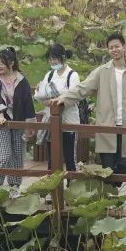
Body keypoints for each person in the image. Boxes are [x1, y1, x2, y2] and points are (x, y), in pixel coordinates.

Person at [51, 32, 126, 187]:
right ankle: (109, 201)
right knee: (107, 169)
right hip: (107, 126)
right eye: (110, 48)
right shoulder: (102, 71)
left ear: (124, 47)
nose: (114, 50)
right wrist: (64, 98)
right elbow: (83, 87)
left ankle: (110, 189)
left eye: (117, 46)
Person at [0, 47, 35, 197]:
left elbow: (28, 102)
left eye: (2, 63)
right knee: (4, 155)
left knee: (17, 156)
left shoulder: (22, 80)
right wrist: (0, 115)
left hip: (18, 121)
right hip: (1, 122)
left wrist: (29, 125)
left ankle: (14, 186)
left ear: (11, 63)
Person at [33, 43, 81, 172]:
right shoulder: (49, 75)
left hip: (68, 120)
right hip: (51, 119)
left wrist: (57, 100)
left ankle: (72, 184)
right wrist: (44, 97)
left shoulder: (73, 75)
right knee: (52, 157)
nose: (52, 61)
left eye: (55, 58)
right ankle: (52, 187)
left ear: (63, 57)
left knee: (70, 157)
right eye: (50, 59)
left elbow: (74, 96)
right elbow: (40, 96)